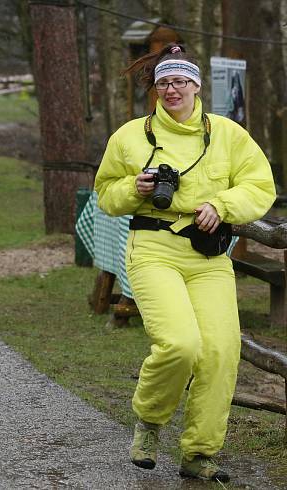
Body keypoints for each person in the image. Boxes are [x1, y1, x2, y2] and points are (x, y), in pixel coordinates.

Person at [94, 44, 275, 482]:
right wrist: (134, 189)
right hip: (153, 249)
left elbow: (260, 186)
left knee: (219, 351)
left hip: (208, 255)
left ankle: (200, 452)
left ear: (196, 85)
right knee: (180, 344)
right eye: (162, 83)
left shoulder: (229, 134)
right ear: (154, 90)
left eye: (179, 81)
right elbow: (105, 195)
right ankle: (150, 423)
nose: (171, 89)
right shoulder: (130, 136)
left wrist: (223, 203)